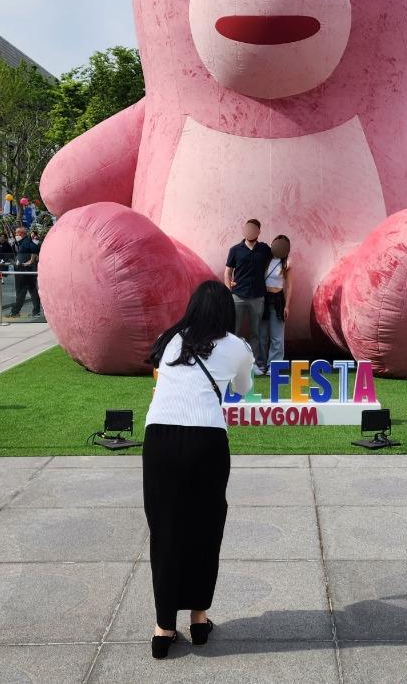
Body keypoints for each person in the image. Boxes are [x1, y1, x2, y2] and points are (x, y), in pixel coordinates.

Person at [143, 280, 255, 659]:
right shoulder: (237, 347)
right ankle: (199, 617)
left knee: (165, 528)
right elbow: (242, 389)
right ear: (227, 313)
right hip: (207, 440)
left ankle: (163, 628)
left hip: (159, 438)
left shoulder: (168, 339)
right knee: (205, 527)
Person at [223, 219, 271, 371]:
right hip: (238, 296)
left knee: (255, 333)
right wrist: (228, 287)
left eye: (253, 229)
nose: (250, 231)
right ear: (244, 231)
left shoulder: (265, 249)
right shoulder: (235, 250)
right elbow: (228, 271)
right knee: (234, 332)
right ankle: (231, 364)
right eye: (247, 228)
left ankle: (253, 364)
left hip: (257, 296)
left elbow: (276, 261)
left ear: (258, 232)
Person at [259, 234, 292, 373]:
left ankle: (274, 365)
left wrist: (287, 306)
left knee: (277, 336)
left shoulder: (286, 263)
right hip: (262, 298)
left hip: (278, 299)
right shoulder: (263, 260)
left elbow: (289, 286)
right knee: (261, 335)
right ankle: (261, 363)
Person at [7, 226, 40, 317]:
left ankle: (15, 311)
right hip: (22, 270)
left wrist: (31, 260)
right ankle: (36, 310)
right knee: (32, 290)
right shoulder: (20, 242)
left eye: (17, 233)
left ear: (21, 234)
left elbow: (35, 248)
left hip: (24, 271)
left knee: (21, 291)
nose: (15, 235)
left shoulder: (26, 242)